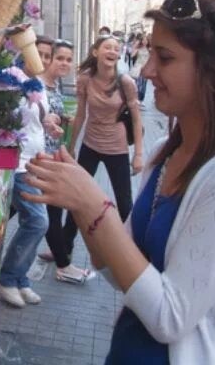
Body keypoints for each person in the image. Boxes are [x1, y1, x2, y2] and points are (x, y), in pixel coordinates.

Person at [24, 0, 215, 364]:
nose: (146, 70)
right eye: (151, 53)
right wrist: (79, 202)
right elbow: (123, 277)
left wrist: (93, 203)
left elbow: (169, 318)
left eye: (166, 57)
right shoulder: (167, 154)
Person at [55, 35, 142, 263]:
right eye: (107, 47)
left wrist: (139, 155)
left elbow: (136, 119)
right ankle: (65, 248)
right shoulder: (85, 79)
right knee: (77, 197)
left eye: (116, 48)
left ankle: (132, 256)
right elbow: (81, 113)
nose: (112, 51)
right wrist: (71, 146)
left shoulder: (126, 83)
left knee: (124, 204)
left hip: (118, 148)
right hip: (90, 145)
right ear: (96, 52)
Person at [36, 40, 93, 283]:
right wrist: (49, 122)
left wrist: (60, 118)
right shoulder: (37, 85)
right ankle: (63, 264)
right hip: (39, 159)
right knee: (44, 212)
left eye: (69, 60)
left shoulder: (54, 84)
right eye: (59, 58)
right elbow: (29, 120)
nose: (64, 63)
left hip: (52, 158)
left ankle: (61, 261)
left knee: (45, 211)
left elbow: (49, 117)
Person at [0, 81, 50, 308]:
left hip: (34, 163)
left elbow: (35, 125)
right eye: (44, 55)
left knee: (35, 222)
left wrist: (50, 124)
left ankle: (20, 279)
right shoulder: (10, 82)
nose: (46, 60)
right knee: (38, 222)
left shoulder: (42, 86)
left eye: (52, 55)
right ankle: (8, 278)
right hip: (17, 165)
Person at [129, 34, 150, 104]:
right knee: (138, 84)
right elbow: (132, 56)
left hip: (146, 68)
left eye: (146, 40)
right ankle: (137, 99)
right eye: (143, 40)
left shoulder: (149, 49)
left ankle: (141, 100)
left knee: (144, 84)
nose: (144, 41)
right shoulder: (138, 49)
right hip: (138, 68)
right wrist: (135, 46)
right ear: (141, 41)